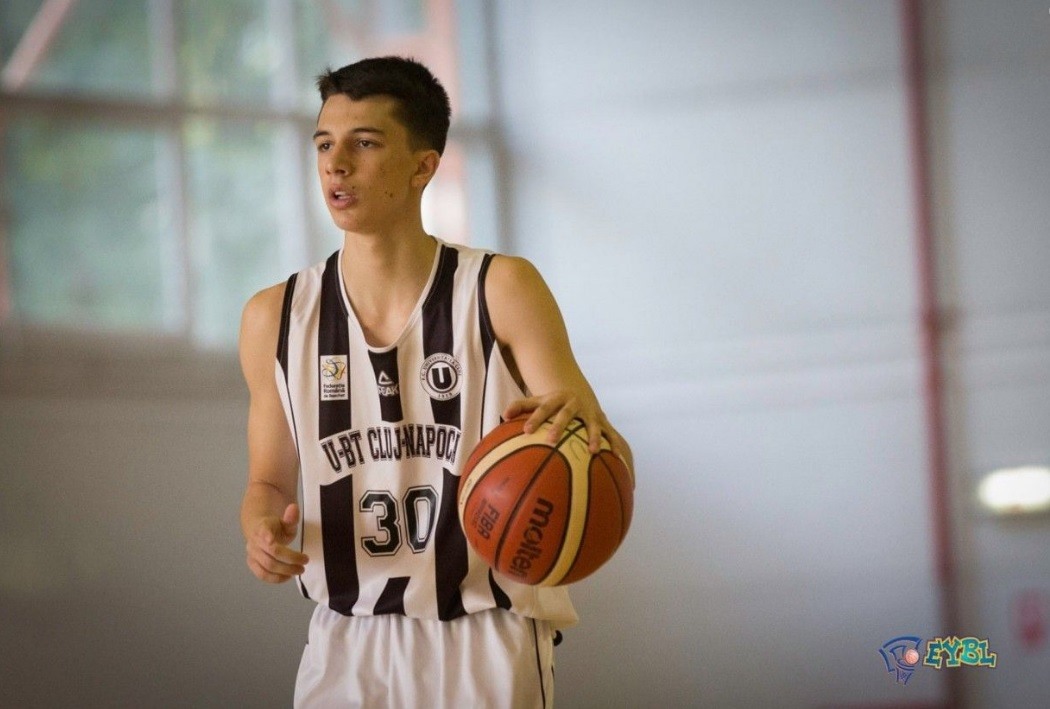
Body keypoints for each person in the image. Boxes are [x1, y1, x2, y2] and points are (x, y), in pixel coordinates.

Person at [238, 56, 632, 707]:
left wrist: (585, 439)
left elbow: (606, 455)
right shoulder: (272, 317)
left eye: (365, 143)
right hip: (344, 639)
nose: (336, 165)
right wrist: (261, 530)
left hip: (485, 631)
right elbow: (267, 485)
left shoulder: (502, 288)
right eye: (324, 145)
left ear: (423, 166)